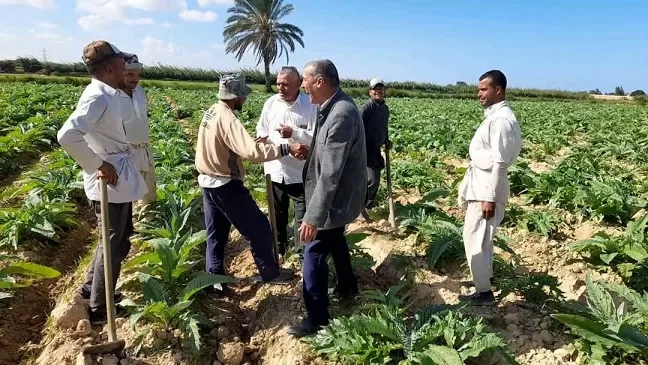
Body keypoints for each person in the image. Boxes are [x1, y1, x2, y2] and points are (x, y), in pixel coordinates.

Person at [58, 40, 147, 325]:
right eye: (122, 64)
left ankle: (91, 290)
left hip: (116, 176)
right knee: (112, 244)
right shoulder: (97, 97)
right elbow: (66, 136)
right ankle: (99, 308)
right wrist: (100, 164)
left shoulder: (107, 93)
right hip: (109, 180)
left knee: (118, 240)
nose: (126, 68)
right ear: (109, 68)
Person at [195, 74, 308, 296]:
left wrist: (254, 143)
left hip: (207, 182)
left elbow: (235, 145)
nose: (244, 100)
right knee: (259, 229)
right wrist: (286, 149)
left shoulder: (212, 111)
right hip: (225, 184)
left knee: (215, 234)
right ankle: (271, 274)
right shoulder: (228, 118)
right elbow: (252, 153)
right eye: (243, 96)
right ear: (235, 96)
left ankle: (214, 281)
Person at [287, 60, 367, 337]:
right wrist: (309, 152)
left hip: (335, 198)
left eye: (305, 81)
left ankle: (317, 317)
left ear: (320, 81)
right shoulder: (331, 107)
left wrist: (313, 217)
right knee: (335, 240)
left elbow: (331, 174)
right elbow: (329, 151)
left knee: (314, 249)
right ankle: (347, 286)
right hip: (337, 196)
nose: (302, 86)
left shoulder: (342, 113)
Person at [457, 70, 522, 305]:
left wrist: (490, 198)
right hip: (482, 186)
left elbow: (500, 163)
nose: (479, 94)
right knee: (481, 240)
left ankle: (484, 293)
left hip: (487, 189)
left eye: (483, 89)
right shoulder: (494, 116)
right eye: (478, 89)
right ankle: (483, 281)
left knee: (475, 239)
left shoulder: (502, 120)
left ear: (498, 90)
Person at [255, 66, 317, 257]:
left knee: (303, 217)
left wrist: (299, 139)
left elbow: (317, 136)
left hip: (300, 173)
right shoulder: (271, 104)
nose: (280, 88)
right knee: (276, 215)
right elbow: (262, 131)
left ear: (299, 84)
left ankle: (301, 257)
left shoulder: (311, 105)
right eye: (279, 83)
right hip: (275, 171)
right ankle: (279, 251)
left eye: (286, 84)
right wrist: (261, 140)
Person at [117, 54, 157, 210]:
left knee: (148, 190)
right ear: (121, 73)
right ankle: (131, 224)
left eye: (138, 75)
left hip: (143, 147)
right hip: (125, 151)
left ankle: (147, 220)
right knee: (126, 193)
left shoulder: (139, 91)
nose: (135, 79)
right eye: (130, 74)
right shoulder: (112, 94)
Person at [358, 78, 392, 220]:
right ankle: (360, 207)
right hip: (364, 150)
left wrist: (386, 140)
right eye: (375, 89)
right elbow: (355, 125)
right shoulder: (366, 108)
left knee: (374, 180)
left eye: (381, 89)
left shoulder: (384, 108)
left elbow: (383, 127)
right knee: (371, 180)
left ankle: (366, 207)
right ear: (370, 92)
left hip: (375, 150)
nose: (378, 91)